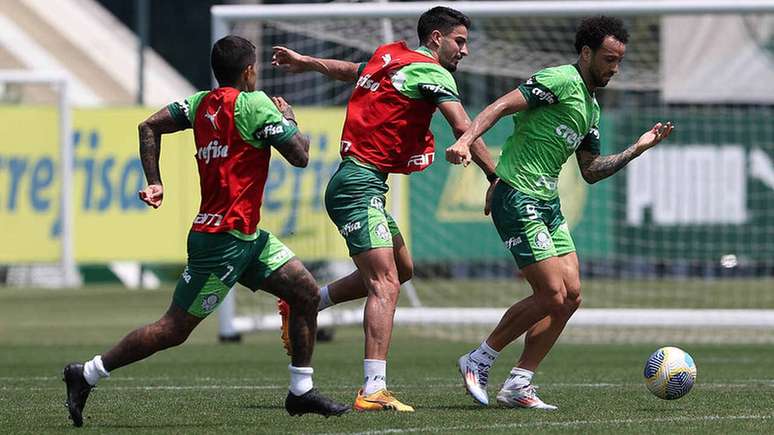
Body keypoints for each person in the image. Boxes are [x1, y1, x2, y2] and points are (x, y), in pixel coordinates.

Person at [62, 35, 349, 427]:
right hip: (222, 245)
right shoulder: (256, 105)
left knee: (304, 292)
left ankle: (301, 391)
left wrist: (155, 180)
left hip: (247, 237)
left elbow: (149, 126)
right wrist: (290, 120)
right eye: (257, 68)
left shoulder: (200, 104)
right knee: (173, 329)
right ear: (249, 71)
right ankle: (88, 372)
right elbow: (300, 156)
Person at [271, 6, 497, 412]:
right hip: (358, 184)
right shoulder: (432, 72)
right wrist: (495, 176)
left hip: (364, 184)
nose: (464, 51)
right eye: (459, 41)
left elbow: (351, 70)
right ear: (436, 39)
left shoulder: (390, 58)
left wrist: (306, 62)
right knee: (386, 283)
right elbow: (464, 126)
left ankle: (307, 301)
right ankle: (373, 388)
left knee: (401, 271)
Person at [452, 16, 674, 409]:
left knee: (570, 297)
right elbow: (502, 105)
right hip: (518, 195)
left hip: (548, 205)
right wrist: (468, 141)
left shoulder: (590, 109)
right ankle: (479, 358)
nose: (614, 69)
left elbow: (591, 171)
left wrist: (637, 150)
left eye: (619, 61)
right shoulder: (558, 81)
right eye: (608, 59)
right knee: (551, 293)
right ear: (586, 53)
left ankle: (519, 382)